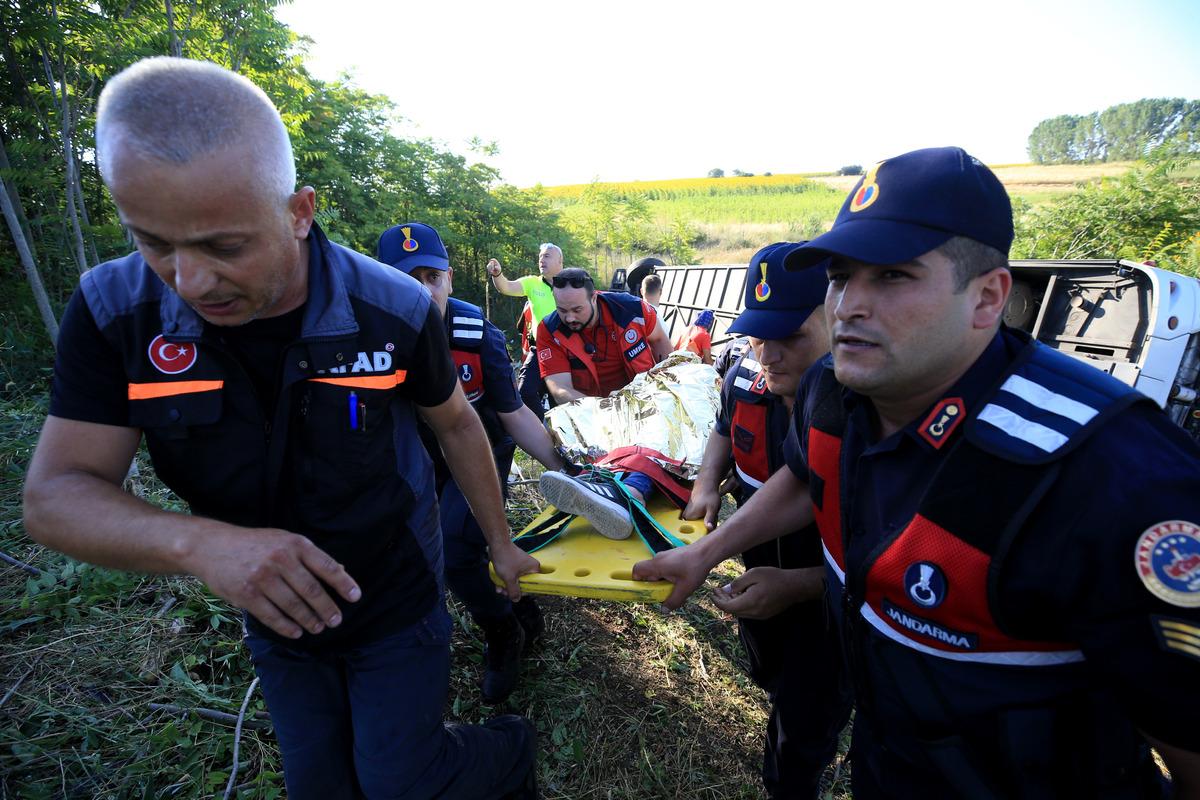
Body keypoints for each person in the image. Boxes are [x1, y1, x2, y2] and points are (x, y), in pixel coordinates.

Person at [22, 58, 539, 800]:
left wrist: (499, 542)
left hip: (395, 593)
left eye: (225, 246)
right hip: (276, 618)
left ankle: (509, 751)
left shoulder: (392, 309)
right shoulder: (115, 314)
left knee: (401, 783)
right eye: (153, 242)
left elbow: (456, 423)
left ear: (300, 211)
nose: (189, 281)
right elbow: (55, 497)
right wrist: (206, 546)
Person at [634, 146, 1200, 797]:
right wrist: (706, 553)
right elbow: (804, 474)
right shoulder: (829, 388)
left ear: (987, 297)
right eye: (840, 277)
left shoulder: (1110, 477)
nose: (849, 305)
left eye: (893, 276)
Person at [683, 243, 850, 798]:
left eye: (791, 336)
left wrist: (798, 585)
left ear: (836, 314)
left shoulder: (865, 412)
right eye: (757, 335)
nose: (769, 355)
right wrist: (707, 483)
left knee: (803, 728)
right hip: (759, 572)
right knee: (769, 671)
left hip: (830, 605)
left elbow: (886, 556)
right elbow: (723, 431)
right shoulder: (744, 377)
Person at [378, 222, 563, 705]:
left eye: (431, 277)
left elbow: (513, 413)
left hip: (480, 452)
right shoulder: (371, 341)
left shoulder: (477, 334)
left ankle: (503, 632)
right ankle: (518, 608)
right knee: (424, 550)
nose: (423, 291)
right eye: (406, 280)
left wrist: (571, 472)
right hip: (419, 460)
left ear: (449, 278)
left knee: (458, 551)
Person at [532, 267, 674, 539]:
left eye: (577, 309)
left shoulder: (633, 310)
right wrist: (608, 412)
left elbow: (662, 347)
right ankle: (600, 488)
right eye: (562, 310)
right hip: (592, 413)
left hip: (643, 404)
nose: (569, 318)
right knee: (604, 453)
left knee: (652, 445)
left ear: (594, 297)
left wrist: (666, 392)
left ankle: (627, 495)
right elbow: (559, 389)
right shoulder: (549, 329)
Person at [487, 243, 564, 419]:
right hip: (540, 350)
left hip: (565, 352)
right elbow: (506, 287)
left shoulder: (571, 283)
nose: (541, 260)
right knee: (525, 393)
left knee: (560, 401)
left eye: (547, 256)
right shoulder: (532, 283)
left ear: (560, 261)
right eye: (540, 257)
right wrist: (497, 274)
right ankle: (543, 428)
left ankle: (558, 433)